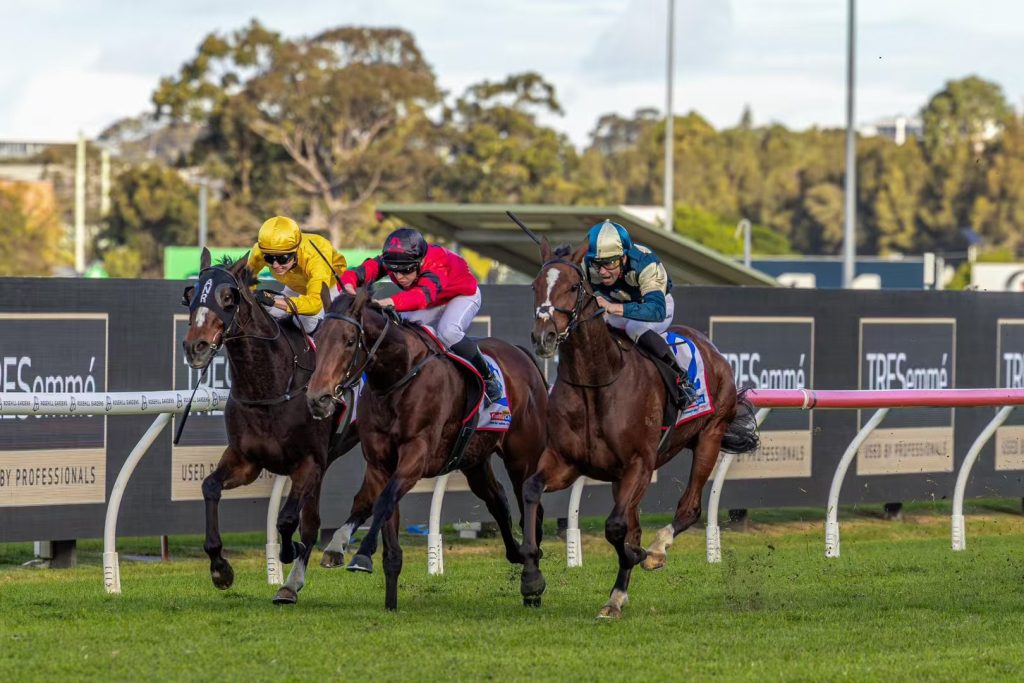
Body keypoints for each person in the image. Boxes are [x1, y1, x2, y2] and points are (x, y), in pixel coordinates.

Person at [340, 227, 502, 405]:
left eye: (406, 270)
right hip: (433, 299)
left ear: (421, 260)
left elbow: (421, 296)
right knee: (402, 331)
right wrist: (347, 286)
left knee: (448, 332)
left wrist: (386, 302)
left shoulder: (437, 261)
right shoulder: (394, 260)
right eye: (394, 271)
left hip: (461, 295)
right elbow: (359, 272)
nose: (399, 277)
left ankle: (488, 377)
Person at [584, 219, 695, 408]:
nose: (602, 272)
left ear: (624, 257)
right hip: (619, 306)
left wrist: (613, 307)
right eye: (597, 264)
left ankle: (680, 379)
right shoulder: (588, 264)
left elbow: (656, 310)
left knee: (634, 327)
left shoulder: (645, 263)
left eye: (609, 263)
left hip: (657, 307)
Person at [247, 216, 348, 334]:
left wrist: (273, 301)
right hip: (295, 284)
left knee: (306, 323)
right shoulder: (259, 251)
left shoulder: (315, 255)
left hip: (329, 286)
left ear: (296, 252)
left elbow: (314, 304)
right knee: (265, 308)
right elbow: (245, 280)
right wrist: (253, 295)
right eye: (269, 258)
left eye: (282, 258)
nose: (275, 265)